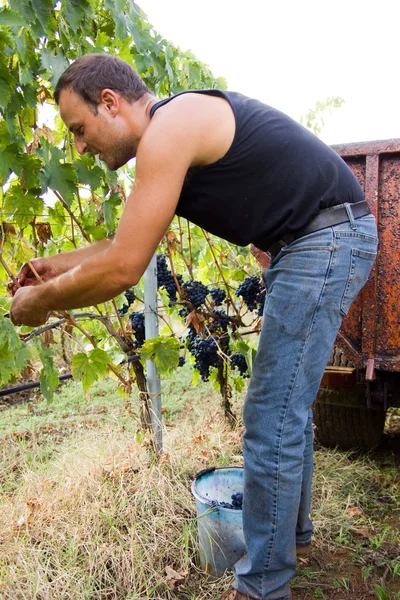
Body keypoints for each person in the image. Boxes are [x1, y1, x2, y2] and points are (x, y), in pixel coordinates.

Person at [9, 54, 378, 600]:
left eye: (80, 130)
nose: (80, 147)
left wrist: (41, 302)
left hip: (323, 242)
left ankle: (263, 585)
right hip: (315, 242)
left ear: (109, 102)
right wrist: (50, 268)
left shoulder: (170, 129)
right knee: (284, 411)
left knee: (271, 414)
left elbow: (123, 267)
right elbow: (119, 242)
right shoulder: (170, 137)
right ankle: (292, 540)